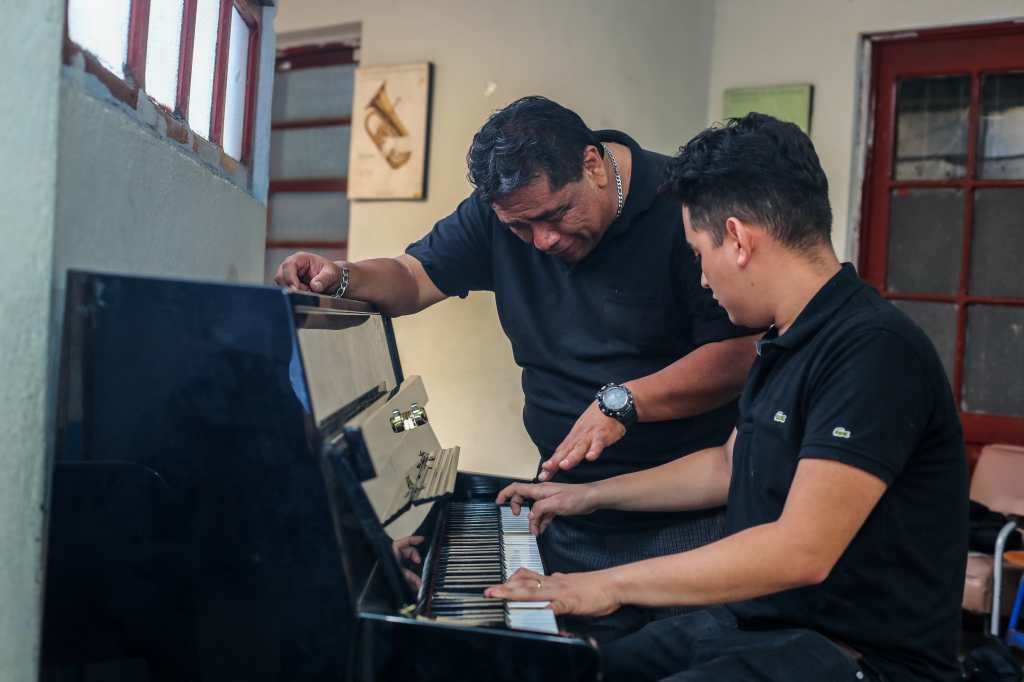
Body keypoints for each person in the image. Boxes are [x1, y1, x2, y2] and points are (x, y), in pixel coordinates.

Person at [487, 112, 969, 682]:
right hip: (759, 628)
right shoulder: (784, 340)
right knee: (566, 671)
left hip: (859, 657)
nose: (702, 279)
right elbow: (727, 464)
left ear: (738, 240)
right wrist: (587, 495)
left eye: (697, 253)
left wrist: (602, 585)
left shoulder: (874, 350)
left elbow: (800, 551)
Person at [275, 97, 758, 619]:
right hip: (565, 506)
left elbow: (738, 354)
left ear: (593, 165)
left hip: (682, 522)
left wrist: (626, 401)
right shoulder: (503, 211)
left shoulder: (680, 205)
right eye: (520, 228)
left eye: (556, 215)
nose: (543, 240)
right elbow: (412, 277)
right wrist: (342, 277)